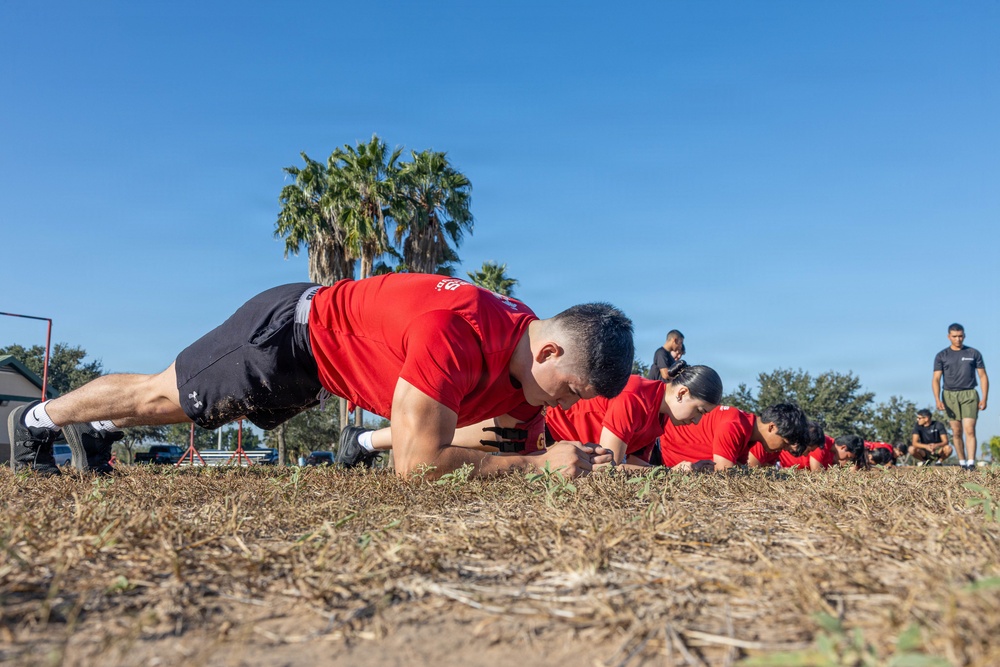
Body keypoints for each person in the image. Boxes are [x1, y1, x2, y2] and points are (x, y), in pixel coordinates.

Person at [8, 274, 634, 479]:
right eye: (571, 392)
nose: (563, 407)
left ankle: (97, 433)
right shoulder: (454, 332)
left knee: (181, 409)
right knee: (161, 395)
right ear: (549, 353)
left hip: (318, 368)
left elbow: (503, 446)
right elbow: (417, 468)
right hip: (288, 333)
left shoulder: (525, 349)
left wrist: (576, 465)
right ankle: (34, 420)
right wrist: (537, 467)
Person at [545, 365, 723, 471]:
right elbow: (609, 468)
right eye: (699, 410)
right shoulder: (635, 395)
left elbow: (635, 464)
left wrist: (678, 471)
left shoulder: (661, 415)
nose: (697, 421)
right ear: (682, 393)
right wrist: (670, 473)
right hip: (549, 431)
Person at [658, 403, 807, 472]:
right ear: (772, 427)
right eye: (785, 442)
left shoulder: (747, 430)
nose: (785, 449)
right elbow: (724, 474)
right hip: (657, 449)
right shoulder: (735, 425)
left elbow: (739, 469)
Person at [932, 323, 989, 470]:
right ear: (949, 337)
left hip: (969, 394)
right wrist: (937, 399)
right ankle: (962, 462)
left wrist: (984, 397)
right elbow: (936, 379)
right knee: (956, 431)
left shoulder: (973, 353)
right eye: (955, 336)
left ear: (964, 336)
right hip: (949, 395)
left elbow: (983, 376)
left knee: (970, 429)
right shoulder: (941, 355)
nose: (958, 339)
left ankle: (971, 463)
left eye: (960, 336)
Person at [750, 421, 834, 471]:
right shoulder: (765, 443)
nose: (805, 455)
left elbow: (766, 470)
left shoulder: (777, 450)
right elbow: (751, 471)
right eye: (808, 450)